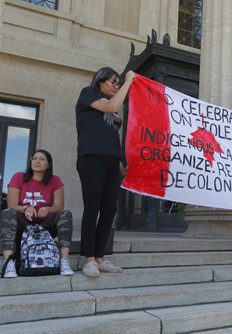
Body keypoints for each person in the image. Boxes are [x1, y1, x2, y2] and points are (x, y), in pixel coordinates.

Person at [76, 67, 135, 277]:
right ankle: (89, 259)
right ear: (100, 82)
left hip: (112, 163)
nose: (116, 86)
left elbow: (112, 136)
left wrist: (119, 162)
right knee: (93, 208)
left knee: (109, 210)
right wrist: (128, 82)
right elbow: (111, 106)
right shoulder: (88, 94)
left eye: (118, 83)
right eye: (113, 82)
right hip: (91, 158)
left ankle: (100, 258)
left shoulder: (113, 110)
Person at [0, 149, 74, 278]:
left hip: (44, 229)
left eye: (41, 159)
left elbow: (59, 207)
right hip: (23, 227)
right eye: (34, 158)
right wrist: (25, 208)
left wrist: (48, 209)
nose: (37, 161)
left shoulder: (55, 180)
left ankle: (64, 261)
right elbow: (11, 205)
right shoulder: (18, 177)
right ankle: (8, 262)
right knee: (8, 213)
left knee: (65, 214)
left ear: (49, 164)